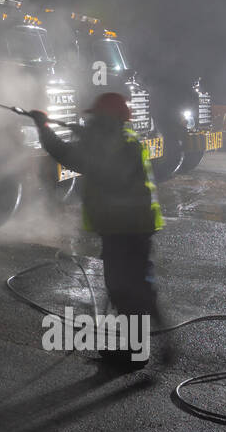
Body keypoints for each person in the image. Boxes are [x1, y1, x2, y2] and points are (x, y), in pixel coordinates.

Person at [28, 92, 166, 368]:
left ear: (106, 121)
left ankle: (134, 354)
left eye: (96, 119)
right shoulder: (121, 142)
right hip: (131, 228)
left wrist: (43, 128)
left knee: (125, 289)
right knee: (129, 288)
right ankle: (136, 349)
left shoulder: (113, 147)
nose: (89, 123)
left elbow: (69, 155)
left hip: (125, 229)